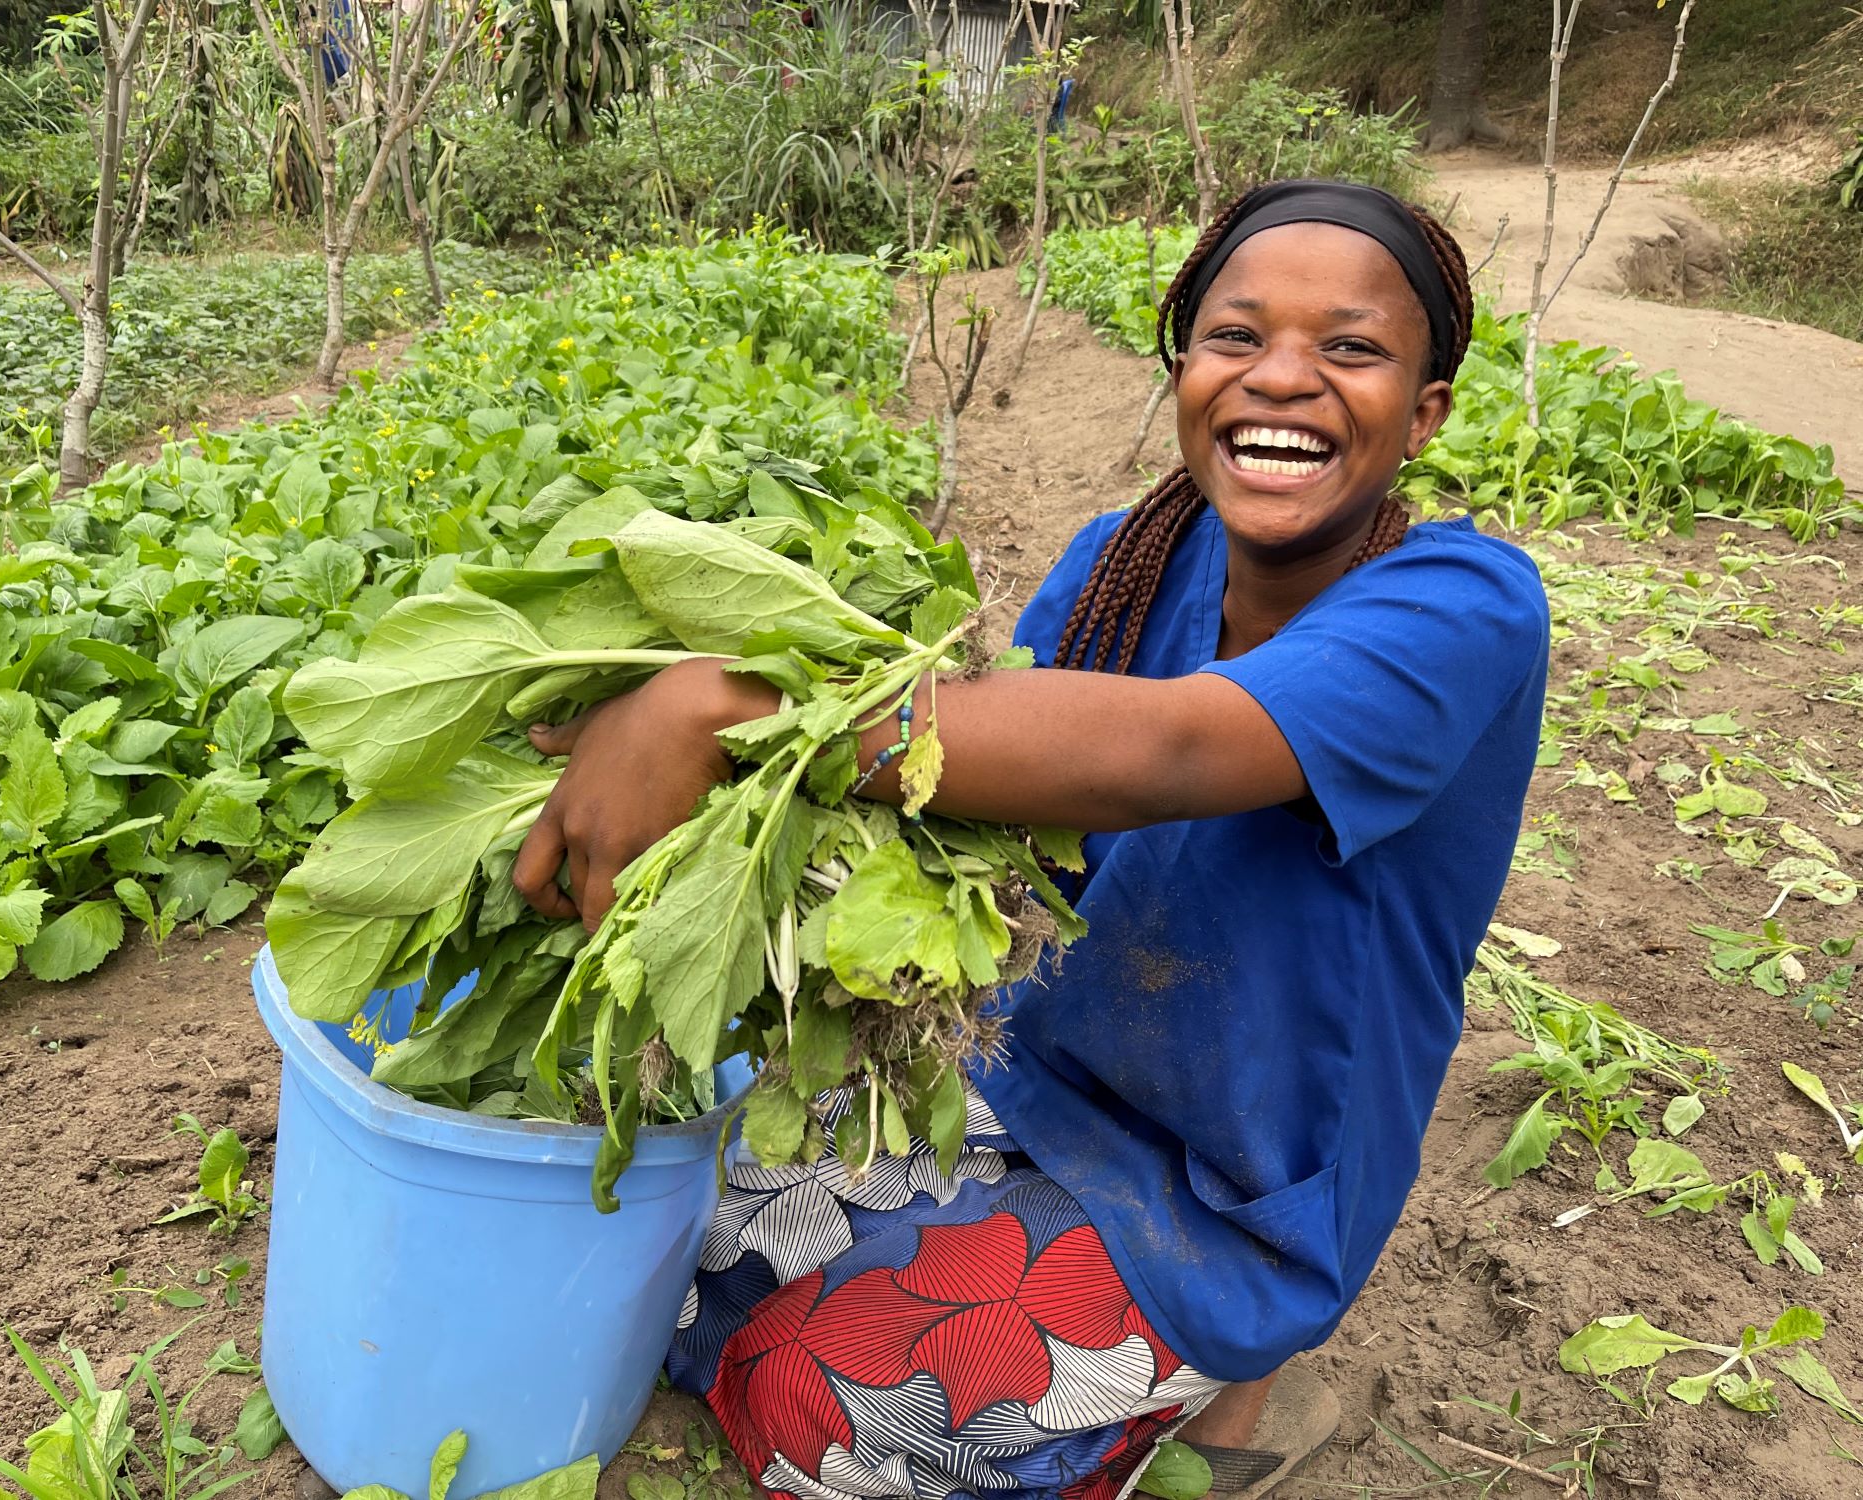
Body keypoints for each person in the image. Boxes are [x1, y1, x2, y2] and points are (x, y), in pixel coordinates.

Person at [512, 179, 1550, 1500]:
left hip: (1230, 1192)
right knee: (687, 1242)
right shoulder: (1126, 559)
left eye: (1351, 349)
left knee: (818, 1408)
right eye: (1235, 338)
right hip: (1037, 1079)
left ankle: (1218, 1419)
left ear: (1427, 411)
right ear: (1185, 373)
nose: (1282, 379)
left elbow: (1167, 748)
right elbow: (987, 783)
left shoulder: (1463, 609)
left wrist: (740, 711)